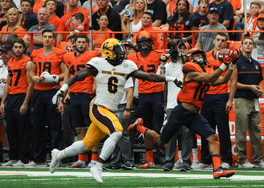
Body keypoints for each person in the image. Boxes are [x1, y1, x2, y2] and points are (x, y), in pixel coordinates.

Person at [49, 38, 183, 183]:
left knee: (85, 144)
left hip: (110, 110)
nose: (122, 52)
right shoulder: (98, 63)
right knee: (117, 131)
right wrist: (62, 90)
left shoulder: (127, 65)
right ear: (109, 52)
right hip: (98, 108)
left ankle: (58, 154)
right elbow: (76, 76)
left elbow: (149, 76)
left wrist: (172, 79)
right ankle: (98, 165)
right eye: (118, 49)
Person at [128, 47, 240, 178]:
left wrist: (232, 65)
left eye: (200, 55)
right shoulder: (190, 69)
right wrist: (225, 63)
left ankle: (217, 169)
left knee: (212, 137)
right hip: (181, 112)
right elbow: (210, 78)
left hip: (193, 114)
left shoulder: (207, 71)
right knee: (160, 141)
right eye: (196, 56)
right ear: (192, 59)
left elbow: (222, 80)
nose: (200, 58)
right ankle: (139, 127)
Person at [24, 29, 66, 168]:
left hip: (53, 92)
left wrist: (54, 78)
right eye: (45, 37)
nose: (47, 39)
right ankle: (38, 159)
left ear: (53, 39)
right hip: (38, 93)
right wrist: (34, 77)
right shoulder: (35, 53)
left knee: (55, 127)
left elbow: (65, 73)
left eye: (50, 37)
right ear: (41, 39)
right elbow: (31, 70)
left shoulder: (60, 53)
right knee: (37, 126)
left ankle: (57, 158)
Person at [193, 33, 234, 170]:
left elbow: (233, 80)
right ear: (213, 41)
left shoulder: (230, 57)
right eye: (218, 40)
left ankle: (227, 159)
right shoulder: (205, 56)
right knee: (205, 129)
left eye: (223, 40)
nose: (220, 43)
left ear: (226, 43)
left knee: (223, 130)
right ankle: (206, 159)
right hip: (206, 96)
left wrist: (230, 99)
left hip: (222, 95)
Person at [59, 34, 100, 169]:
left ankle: (94, 158)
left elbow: (97, 75)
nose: (81, 44)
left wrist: (96, 92)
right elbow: (68, 76)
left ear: (87, 44)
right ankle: (81, 159)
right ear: (74, 44)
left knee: (91, 129)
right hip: (74, 95)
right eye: (79, 42)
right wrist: (66, 93)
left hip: (87, 95)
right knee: (79, 130)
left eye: (84, 42)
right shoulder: (68, 56)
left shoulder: (93, 55)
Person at [230, 36, 264, 169]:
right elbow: (233, 83)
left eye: (250, 43)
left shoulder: (256, 63)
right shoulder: (236, 62)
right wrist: (250, 87)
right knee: (241, 130)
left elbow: (259, 81)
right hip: (241, 99)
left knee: (256, 130)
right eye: (245, 43)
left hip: (254, 100)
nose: (248, 45)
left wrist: (260, 90)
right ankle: (242, 160)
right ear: (241, 46)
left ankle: (258, 159)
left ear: (253, 47)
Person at [128, 31, 166, 168]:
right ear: (138, 44)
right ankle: (149, 160)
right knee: (146, 128)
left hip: (157, 94)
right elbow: (131, 80)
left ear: (150, 42)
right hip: (143, 96)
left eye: (146, 41)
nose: (144, 44)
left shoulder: (158, 55)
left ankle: (165, 158)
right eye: (142, 42)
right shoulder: (132, 57)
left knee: (162, 127)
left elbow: (165, 73)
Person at [158, 40, 194, 172]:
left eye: (184, 48)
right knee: (171, 134)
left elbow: (192, 76)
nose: (181, 51)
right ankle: (169, 162)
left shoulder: (191, 65)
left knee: (186, 134)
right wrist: (162, 62)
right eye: (180, 48)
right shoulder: (169, 65)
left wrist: (183, 60)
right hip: (173, 104)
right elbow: (159, 77)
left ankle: (186, 162)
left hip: (187, 104)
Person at [0, 38, 33, 168]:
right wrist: (3, 101)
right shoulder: (11, 62)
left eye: (20, 47)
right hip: (11, 98)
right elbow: (8, 83)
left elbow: (31, 85)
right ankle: (13, 157)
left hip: (22, 96)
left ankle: (24, 158)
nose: (18, 49)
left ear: (24, 48)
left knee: (23, 130)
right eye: (16, 47)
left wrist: (25, 103)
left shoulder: (28, 62)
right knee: (11, 130)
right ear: (12, 49)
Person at [104, 41, 136, 171]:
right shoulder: (104, 70)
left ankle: (129, 161)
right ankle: (115, 162)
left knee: (121, 134)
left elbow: (130, 91)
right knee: (112, 134)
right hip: (109, 106)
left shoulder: (124, 69)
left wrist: (128, 108)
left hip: (121, 105)